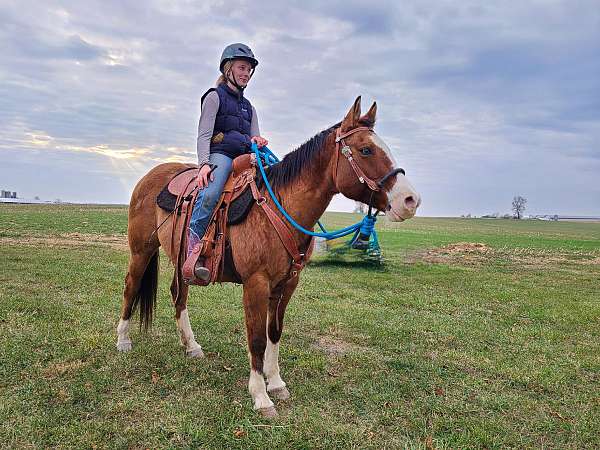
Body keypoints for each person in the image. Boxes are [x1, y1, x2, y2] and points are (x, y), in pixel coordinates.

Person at [187, 43, 268, 282]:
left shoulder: (249, 108)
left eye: (248, 70)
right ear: (228, 69)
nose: (246, 73)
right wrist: (204, 164)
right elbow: (204, 135)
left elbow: (254, 136)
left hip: (245, 157)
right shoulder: (214, 97)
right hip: (221, 155)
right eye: (242, 68)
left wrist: (258, 141)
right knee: (211, 193)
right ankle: (192, 247)